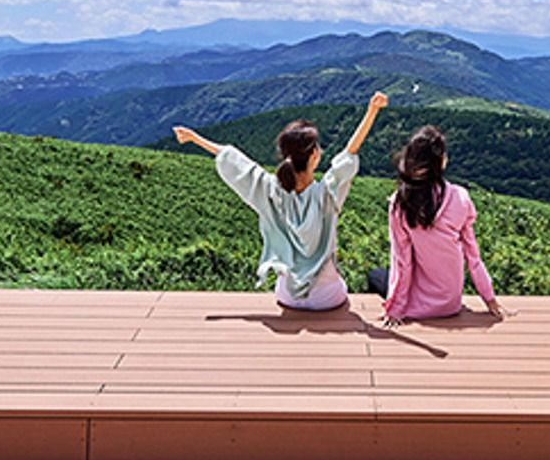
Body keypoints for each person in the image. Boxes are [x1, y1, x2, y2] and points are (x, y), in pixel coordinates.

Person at [173, 91, 387, 312]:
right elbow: (350, 152)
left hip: (288, 296)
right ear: (314, 154)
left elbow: (235, 161)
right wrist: (372, 111)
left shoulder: (270, 191)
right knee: (340, 284)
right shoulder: (328, 193)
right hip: (327, 297)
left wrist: (194, 138)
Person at [371, 124, 506, 326]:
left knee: (375, 276)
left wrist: (395, 309)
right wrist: (490, 299)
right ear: (441, 162)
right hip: (450, 304)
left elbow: (403, 262)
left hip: (415, 305)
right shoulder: (461, 197)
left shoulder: (401, 203)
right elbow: (473, 257)